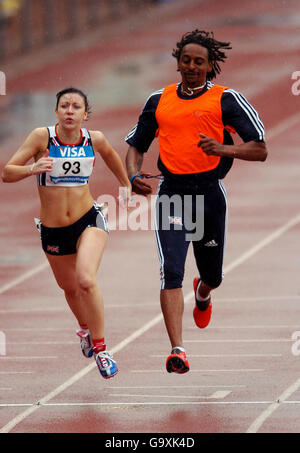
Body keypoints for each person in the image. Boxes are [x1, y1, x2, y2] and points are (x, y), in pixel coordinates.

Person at [125, 30, 267, 374]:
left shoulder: (226, 99)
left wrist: (222, 149)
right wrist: (133, 176)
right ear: (177, 62)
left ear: (210, 65)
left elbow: (259, 149)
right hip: (173, 194)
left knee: (212, 276)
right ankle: (178, 349)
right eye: (186, 60)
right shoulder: (159, 100)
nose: (191, 67)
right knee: (171, 270)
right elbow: (136, 147)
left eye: (199, 61)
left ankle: (203, 294)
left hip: (209, 196)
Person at [2, 87, 131, 379]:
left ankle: (101, 349)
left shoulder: (93, 139)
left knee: (86, 279)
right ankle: (85, 330)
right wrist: (32, 169)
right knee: (70, 288)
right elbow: (7, 172)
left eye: (76, 107)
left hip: (88, 219)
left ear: (86, 114)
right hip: (53, 229)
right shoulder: (41, 137)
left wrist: (126, 183)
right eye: (64, 106)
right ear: (56, 111)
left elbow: (111, 155)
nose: (70, 111)